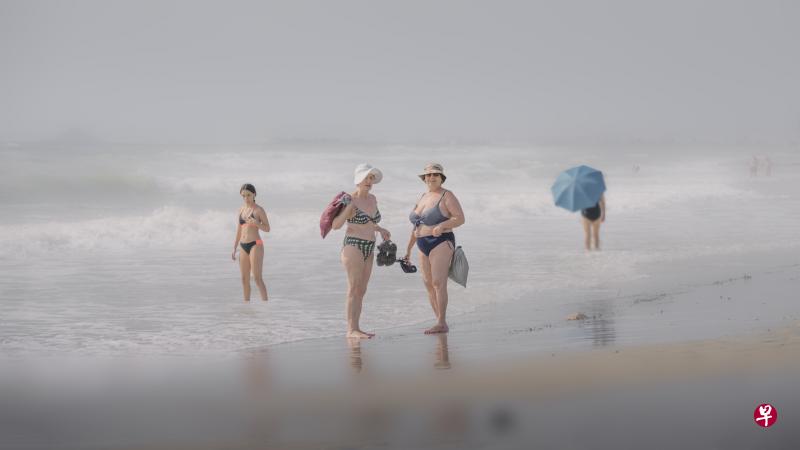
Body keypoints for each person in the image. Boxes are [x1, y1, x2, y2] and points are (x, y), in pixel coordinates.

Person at [404, 163, 465, 334]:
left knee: (438, 282)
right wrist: (408, 250)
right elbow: (416, 226)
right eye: (429, 175)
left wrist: (443, 224)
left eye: (435, 175)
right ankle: (439, 320)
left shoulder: (447, 195)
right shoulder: (423, 196)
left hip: (441, 241)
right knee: (428, 284)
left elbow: (460, 218)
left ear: (441, 178)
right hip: (421, 243)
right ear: (424, 178)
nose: (431, 178)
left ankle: (442, 322)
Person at [332, 164, 391, 339]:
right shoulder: (349, 200)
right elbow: (336, 226)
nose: (369, 181)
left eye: (371, 178)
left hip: (369, 247)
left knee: (362, 289)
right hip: (353, 246)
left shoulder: (372, 199)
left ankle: (356, 327)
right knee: (353, 287)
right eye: (366, 178)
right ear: (358, 180)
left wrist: (380, 229)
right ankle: (351, 330)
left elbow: (369, 222)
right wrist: (348, 211)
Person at [231, 183, 270, 302]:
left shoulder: (259, 210)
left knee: (257, 278)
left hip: (255, 244)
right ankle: (246, 307)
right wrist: (234, 248)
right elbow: (239, 230)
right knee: (244, 279)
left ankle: (266, 307)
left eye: (248, 195)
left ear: (254, 194)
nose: (246, 198)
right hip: (243, 246)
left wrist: (256, 223)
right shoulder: (241, 210)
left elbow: (267, 228)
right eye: (243, 196)